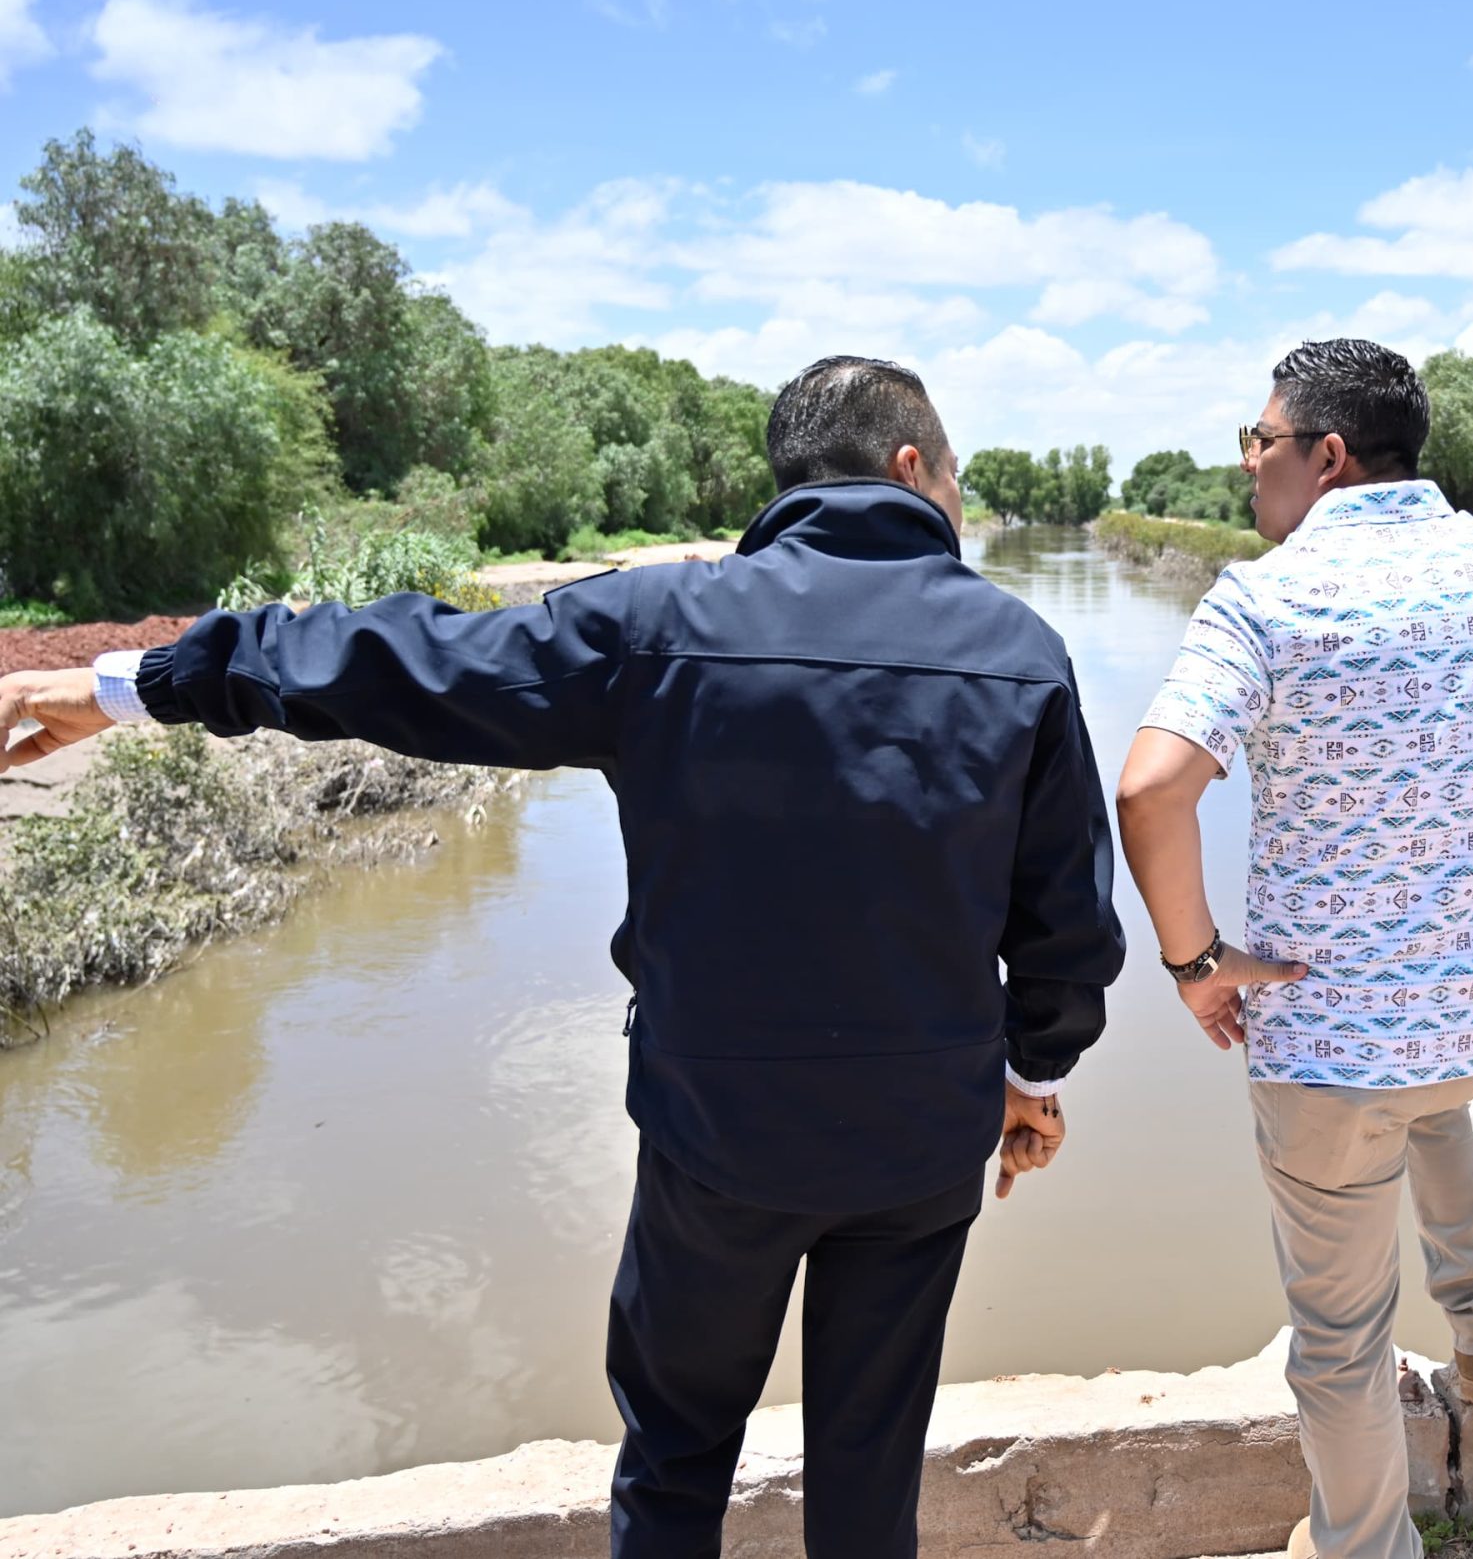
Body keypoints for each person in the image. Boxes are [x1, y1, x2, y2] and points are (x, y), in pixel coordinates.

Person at [0, 356, 1125, 1559]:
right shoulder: (1020, 651)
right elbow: (1064, 924)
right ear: (912, 468)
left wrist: (136, 688)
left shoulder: (660, 625)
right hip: (919, 1140)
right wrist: (1035, 1077)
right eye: (954, 474)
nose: (955, 496)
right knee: (870, 1462)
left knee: (678, 1451)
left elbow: (409, 658)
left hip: (715, 1134)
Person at [1115, 339, 1473, 1559]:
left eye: (1259, 445)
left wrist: (1194, 966)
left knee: (1337, 1344)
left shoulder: (1269, 595)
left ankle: (1367, 1550)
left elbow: (1151, 791)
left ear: (1325, 457)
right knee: (1425, 1096)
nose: (1249, 472)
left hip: (1325, 1050)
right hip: (1470, 1026)